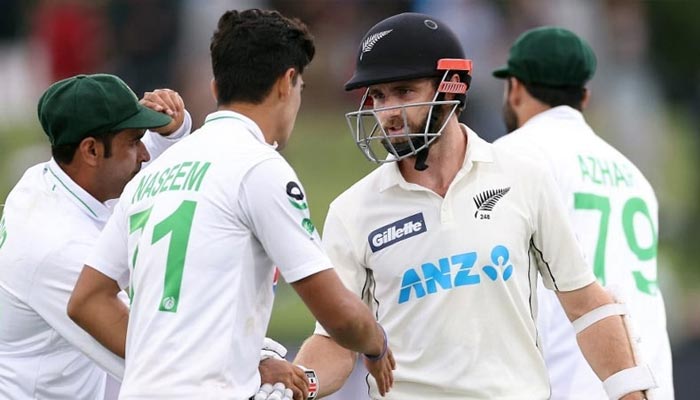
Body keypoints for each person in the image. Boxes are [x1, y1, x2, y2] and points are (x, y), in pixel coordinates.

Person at [294, 12, 657, 400]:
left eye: (404, 92)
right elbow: (335, 340)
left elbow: (585, 305)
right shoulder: (352, 211)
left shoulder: (523, 177)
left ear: (450, 90)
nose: (388, 114)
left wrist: (629, 392)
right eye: (378, 96)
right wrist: (300, 384)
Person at [67, 9, 394, 400]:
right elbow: (337, 313)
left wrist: (170, 365)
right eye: (301, 88)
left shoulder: (154, 171)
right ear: (287, 82)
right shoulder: (259, 167)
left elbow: (87, 299)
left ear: (215, 86)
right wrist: (376, 344)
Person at [492, 26, 674, 399]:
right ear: (585, 97)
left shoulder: (510, 155)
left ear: (515, 86)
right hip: (644, 383)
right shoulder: (633, 175)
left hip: (567, 380)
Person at [0, 73, 191, 399]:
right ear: (90, 150)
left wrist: (174, 132)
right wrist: (255, 364)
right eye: (133, 140)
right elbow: (152, 352)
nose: (144, 154)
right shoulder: (58, 248)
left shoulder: (47, 179)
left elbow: (141, 172)